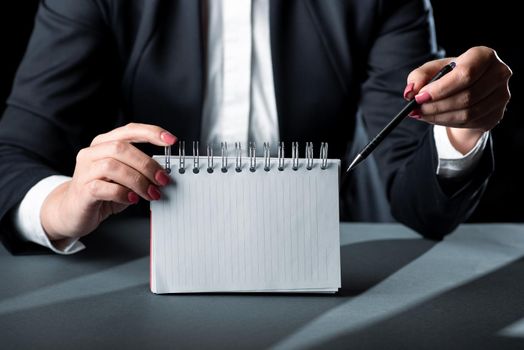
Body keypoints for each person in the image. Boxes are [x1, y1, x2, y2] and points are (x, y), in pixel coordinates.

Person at [0, 0, 511, 254]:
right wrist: (59, 205)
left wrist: (461, 129)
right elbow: (12, 155)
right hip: (140, 262)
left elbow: (419, 202)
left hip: (317, 257)